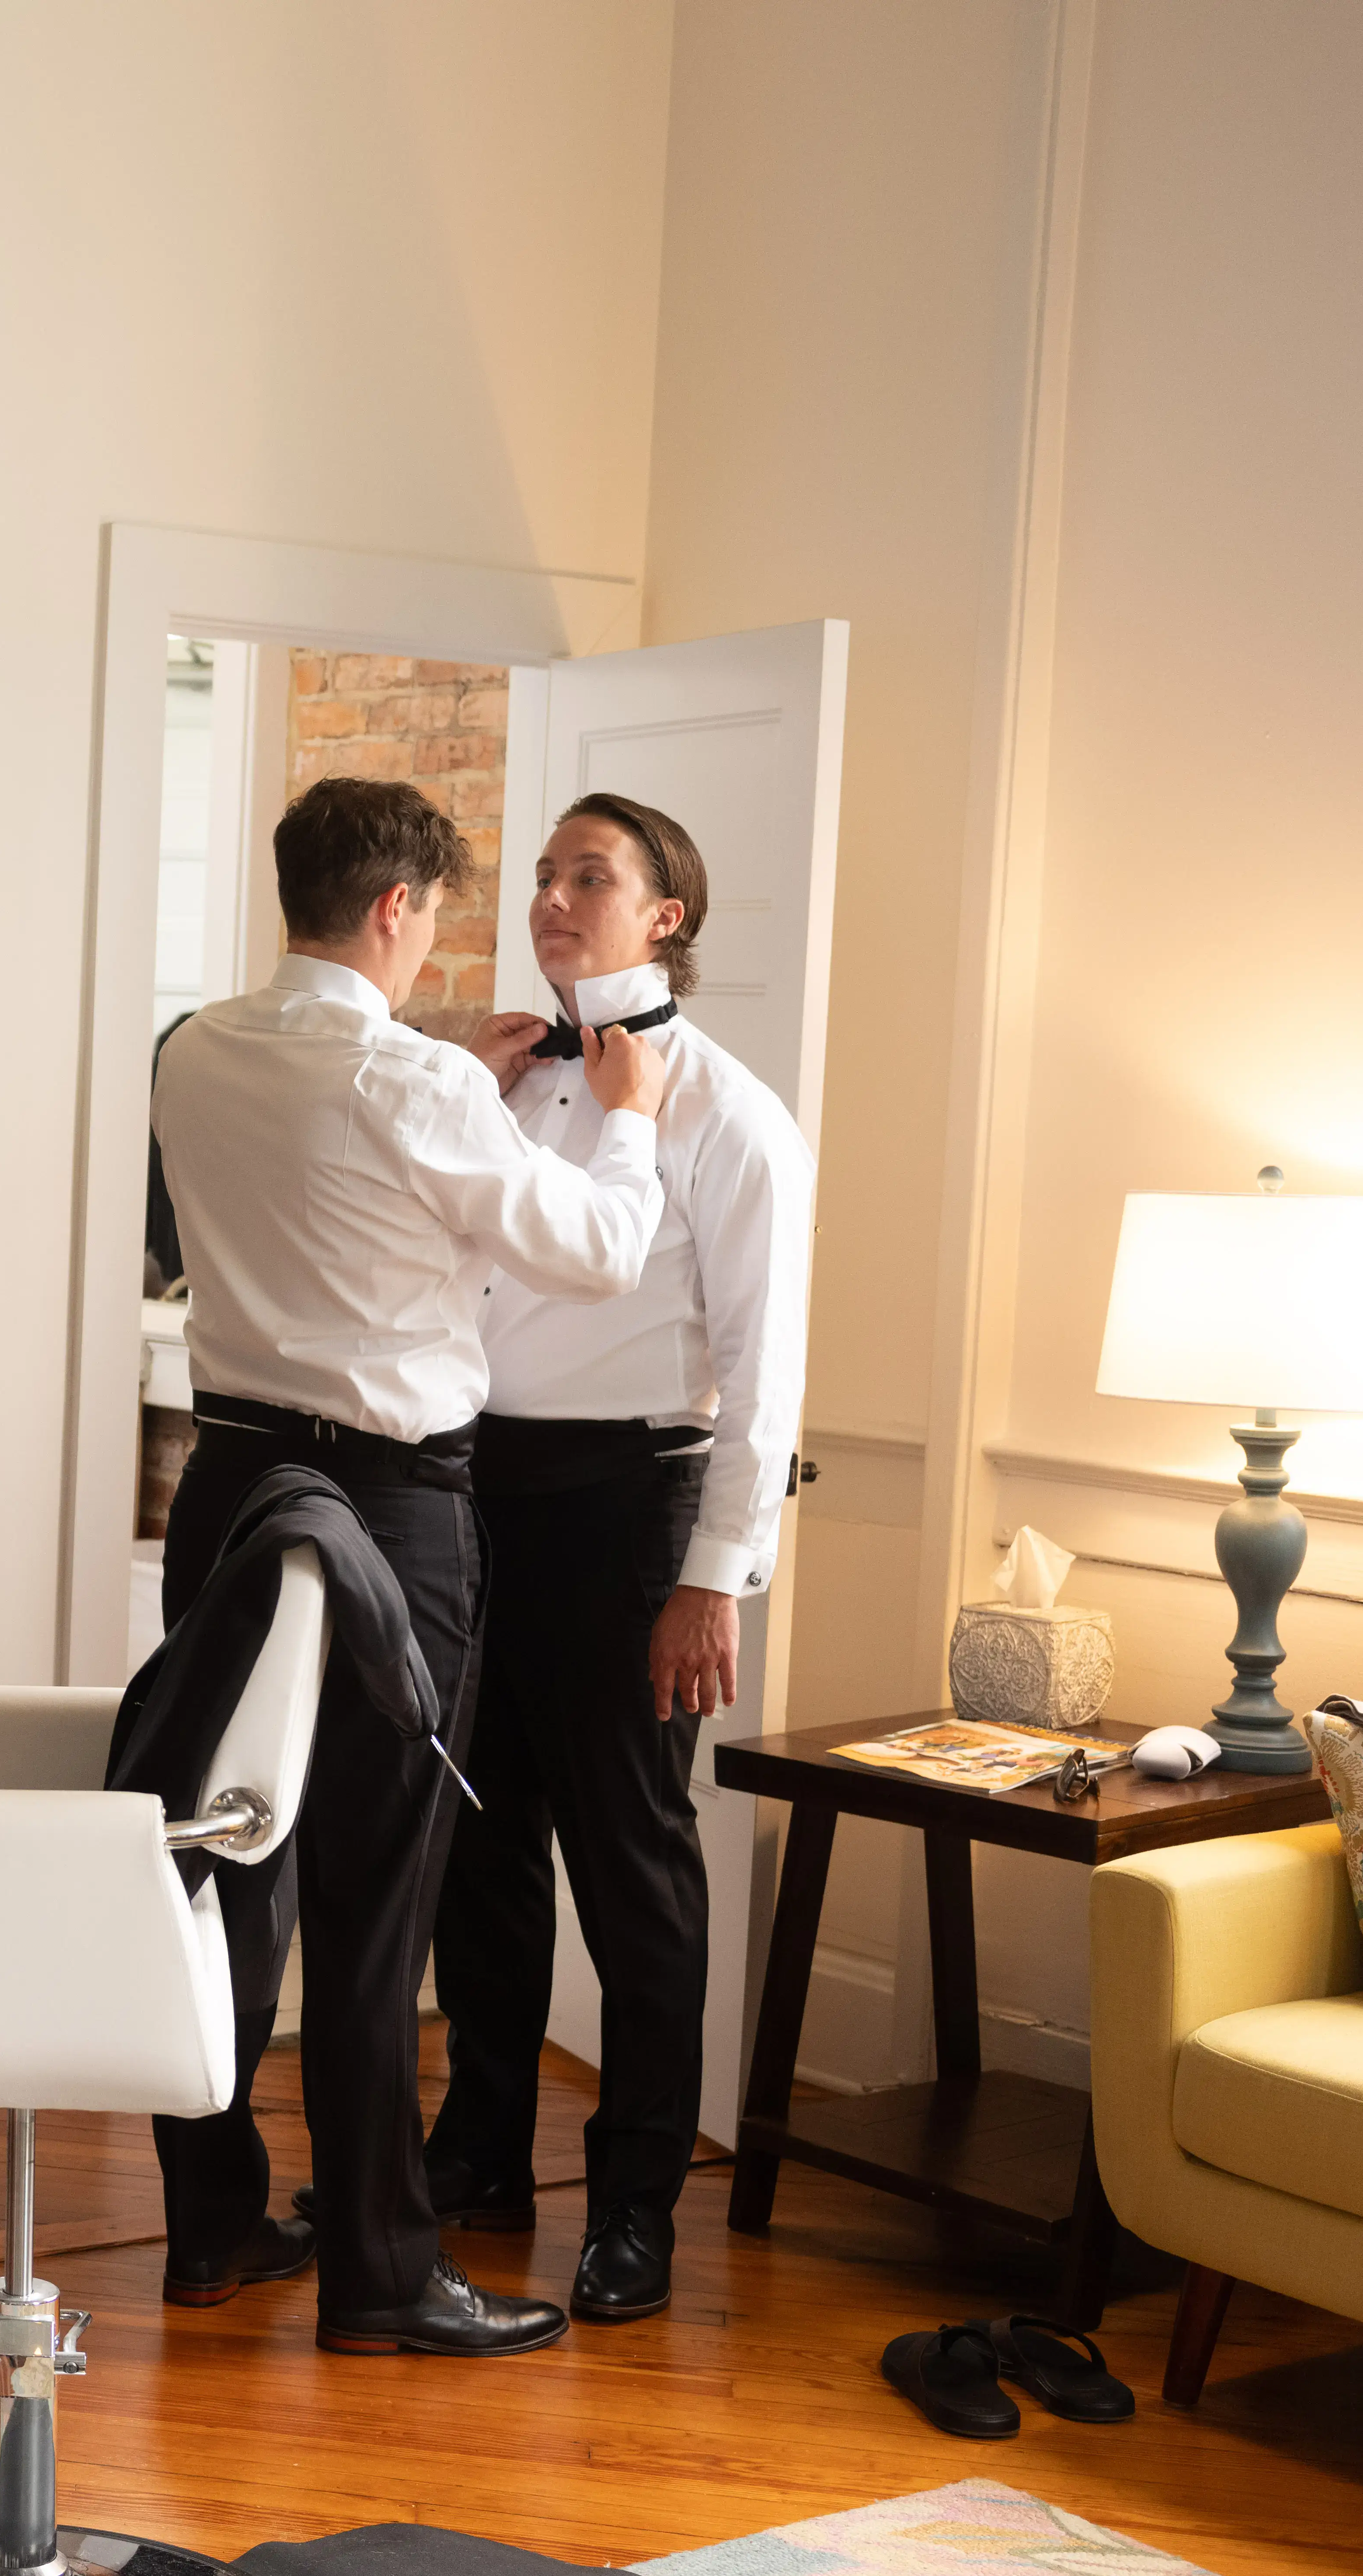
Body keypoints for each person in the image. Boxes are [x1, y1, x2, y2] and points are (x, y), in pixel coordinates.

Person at [144, 774, 667, 2356]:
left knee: (221, 1862)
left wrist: (442, 1072)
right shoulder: (410, 1083)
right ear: (394, 909)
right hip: (385, 1505)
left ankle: (213, 2218)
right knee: (378, 1895)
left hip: (227, 1484)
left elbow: (317, 1151)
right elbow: (595, 1250)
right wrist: (627, 1118)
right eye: (434, 912)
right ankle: (379, 2270)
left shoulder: (189, 1051)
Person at [423, 793, 814, 2325]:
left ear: (665, 916)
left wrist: (711, 1574)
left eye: (589, 877)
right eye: (540, 877)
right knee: (480, 1854)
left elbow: (763, 1371)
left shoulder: (732, 1114)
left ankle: (636, 2202)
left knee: (635, 1874)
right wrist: (457, 1085)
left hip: (627, 1512)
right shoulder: (500, 1084)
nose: (550, 898)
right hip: (470, 1499)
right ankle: (477, 2155)